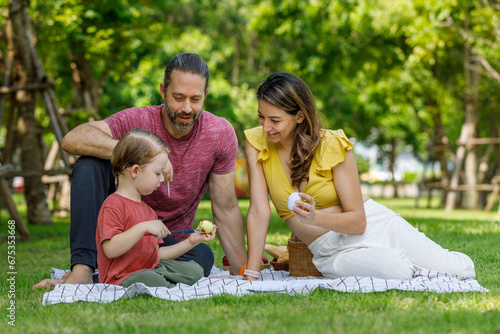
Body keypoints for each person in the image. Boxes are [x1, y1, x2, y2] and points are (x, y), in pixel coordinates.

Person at [33, 53, 246, 289]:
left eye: (195, 99)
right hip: (118, 239)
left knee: (203, 256)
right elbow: (73, 138)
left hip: (163, 244)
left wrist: (244, 272)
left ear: (205, 95)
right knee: (89, 162)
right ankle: (83, 270)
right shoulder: (138, 120)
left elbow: (226, 209)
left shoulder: (219, 133)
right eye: (178, 97)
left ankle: (116, 277)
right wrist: (141, 153)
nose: (187, 108)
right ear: (163, 91)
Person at [242, 72, 475, 281]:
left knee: (461, 271)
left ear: (300, 116)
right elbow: (258, 211)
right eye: (261, 117)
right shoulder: (257, 142)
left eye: (275, 120)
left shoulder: (332, 144)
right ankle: (402, 261)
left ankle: (421, 261)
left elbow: (358, 221)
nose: (265, 127)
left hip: (375, 226)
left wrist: (315, 217)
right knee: (397, 269)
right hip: (330, 251)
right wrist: (251, 273)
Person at [97, 128, 216, 287]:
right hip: (121, 278)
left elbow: (159, 254)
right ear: (135, 171)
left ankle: (166, 284)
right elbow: (111, 249)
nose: (162, 179)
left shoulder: (148, 212)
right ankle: (168, 285)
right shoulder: (113, 205)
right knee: (152, 279)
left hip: (152, 268)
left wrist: (191, 242)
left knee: (194, 271)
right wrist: (142, 227)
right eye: (158, 173)